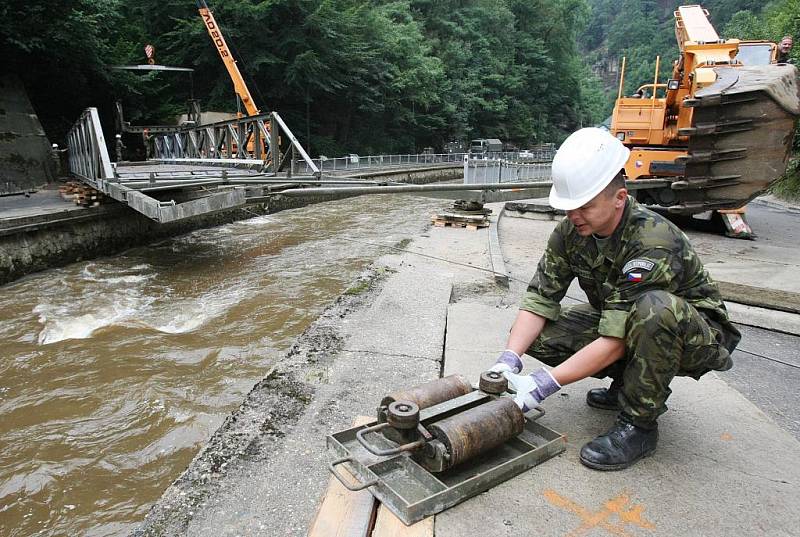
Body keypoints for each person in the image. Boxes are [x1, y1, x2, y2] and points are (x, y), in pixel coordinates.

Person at [489, 127, 741, 471]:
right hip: (627, 321)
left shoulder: (653, 241)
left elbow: (618, 334)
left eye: (584, 206)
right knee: (542, 336)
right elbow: (539, 298)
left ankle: (639, 424)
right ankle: (626, 383)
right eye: (568, 207)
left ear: (619, 198)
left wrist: (544, 384)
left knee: (655, 310)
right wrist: (508, 360)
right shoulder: (571, 232)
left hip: (695, 335)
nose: (574, 215)